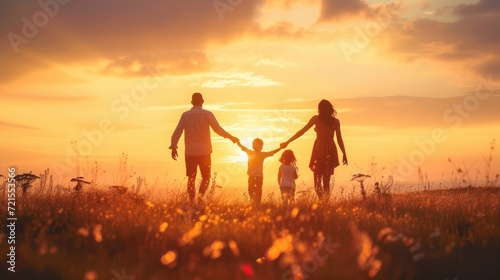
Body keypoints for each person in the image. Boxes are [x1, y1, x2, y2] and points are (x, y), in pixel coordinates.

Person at [169, 93, 238, 204]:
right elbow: (217, 129)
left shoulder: (185, 115)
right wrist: (231, 137)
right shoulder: (207, 114)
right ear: (203, 101)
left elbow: (178, 131)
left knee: (191, 178)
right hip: (205, 153)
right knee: (206, 178)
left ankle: (192, 201)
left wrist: (174, 146)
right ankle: (200, 198)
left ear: (192, 102)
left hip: (190, 153)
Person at [281, 100, 348, 200]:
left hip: (319, 149)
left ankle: (322, 201)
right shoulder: (335, 121)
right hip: (330, 150)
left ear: (319, 109)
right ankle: (325, 202)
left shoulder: (316, 119)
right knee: (326, 181)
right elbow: (339, 139)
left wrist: (288, 142)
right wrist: (344, 153)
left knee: (317, 180)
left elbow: (302, 131)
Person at [236, 138, 281, 206]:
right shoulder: (262, 154)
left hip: (252, 176)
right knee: (258, 190)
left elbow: (242, 147)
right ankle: (257, 203)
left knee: (251, 189)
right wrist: (280, 148)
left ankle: (253, 202)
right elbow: (272, 152)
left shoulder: (251, 152)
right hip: (259, 176)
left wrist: (238, 142)